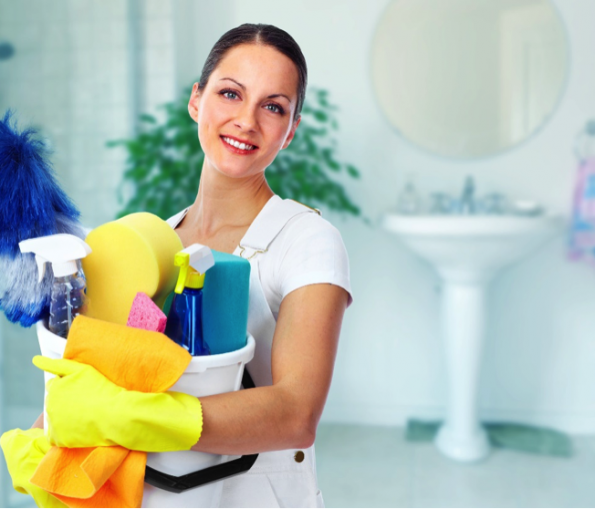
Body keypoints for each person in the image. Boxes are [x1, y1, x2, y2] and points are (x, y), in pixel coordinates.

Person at [26, 23, 352, 509]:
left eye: (273, 107)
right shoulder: (152, 242)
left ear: (291, 131)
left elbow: (296, 413)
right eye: (230, 93)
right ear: (197, 100)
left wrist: (137, 418)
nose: (246, 120)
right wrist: (43, 435)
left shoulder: (307, 240)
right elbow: (101, 375)